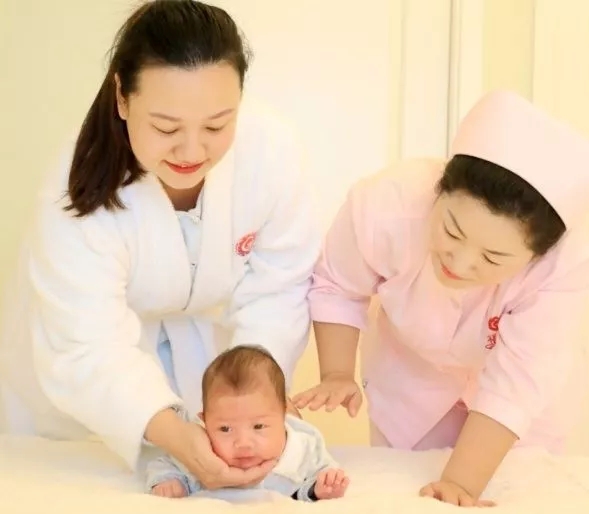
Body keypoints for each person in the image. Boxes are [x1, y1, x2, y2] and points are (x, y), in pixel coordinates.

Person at [0, 0, 319, 491]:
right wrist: (172, 434)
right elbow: (88, 345)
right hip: (77, 406)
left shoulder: (271, 153)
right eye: (166, 128)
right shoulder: (74, 187)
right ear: (122, 98)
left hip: (212, 393)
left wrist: (251, 403)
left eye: (217, 125)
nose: (192, 151)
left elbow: (277, 290)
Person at [293, 90, 589, 507]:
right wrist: (337, 372)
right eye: (451, 230)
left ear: (537, 255)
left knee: (519, 487)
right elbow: (339, 286)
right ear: (440, 189)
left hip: (514, 417)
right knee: (402, 488)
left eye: (493, 257)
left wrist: (462, 485)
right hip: (412, 379)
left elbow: (516, 382)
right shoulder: (387, 202)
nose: (461, 263)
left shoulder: (564, 266)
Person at [145, 345, 349, 502]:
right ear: (205, 421)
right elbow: (164, 463)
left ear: (283, 416)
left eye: (258, 426)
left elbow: (315, 479)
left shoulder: (302, 449)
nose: (243, 443)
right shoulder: (201, 449)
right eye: (225, 429)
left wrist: (318, 489)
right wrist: (171, 481)